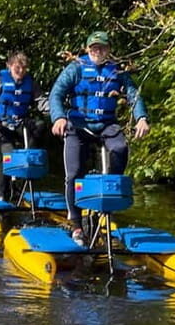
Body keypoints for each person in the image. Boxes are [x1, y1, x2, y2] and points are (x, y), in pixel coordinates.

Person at [50, 31, 150, 246]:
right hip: (78, 126)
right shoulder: (76, 68)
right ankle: (76, 224)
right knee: (74, 173)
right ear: (88, 49)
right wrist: (58, 117)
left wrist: (141, 117)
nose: (98, 51)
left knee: (120, 148)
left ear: (108, 50)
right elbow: (56, 93)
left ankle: (106, 195)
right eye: (94, 47)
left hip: (106, 125)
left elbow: (133, 94)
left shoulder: (117, 70)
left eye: (102, 47)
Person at [0, 51, 49, 202]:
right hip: (0, 126)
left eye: (24, 68)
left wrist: (57, 113)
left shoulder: (30, 83)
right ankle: (2, 192)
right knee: (9, 154)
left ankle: (25, 167)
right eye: (17, 68)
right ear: (9, 66)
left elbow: (42, 102)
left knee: (40, 126)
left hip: (19, 124)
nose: (21, 72)